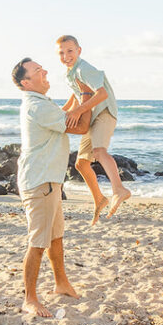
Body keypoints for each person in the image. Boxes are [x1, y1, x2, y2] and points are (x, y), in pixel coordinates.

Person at [12, 57, 80, 317]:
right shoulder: (36, 106)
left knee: (55, 236)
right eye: (38, 71)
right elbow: (77, 125)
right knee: (38, 241)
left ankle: (61, 283)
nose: (45, 72)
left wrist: (78, 95)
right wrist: (92, 98)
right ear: (26, 82)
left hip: (49, 180)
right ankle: (29, 298)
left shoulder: (41, 102)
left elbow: (64, 115)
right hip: (40, 182)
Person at [57, 35, 130, 224]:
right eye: (62, 52)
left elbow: (102, 93)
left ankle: (119, 189)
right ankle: (99, 198)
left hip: (104, 113)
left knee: (99, 151)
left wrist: (78, 111)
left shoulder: (83, 69)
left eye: (70, 51)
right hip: (93, 118)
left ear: (79, 51)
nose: (66, 56)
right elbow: (76, 95)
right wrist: (60, 113)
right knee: (81, 163)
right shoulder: (70, 73)